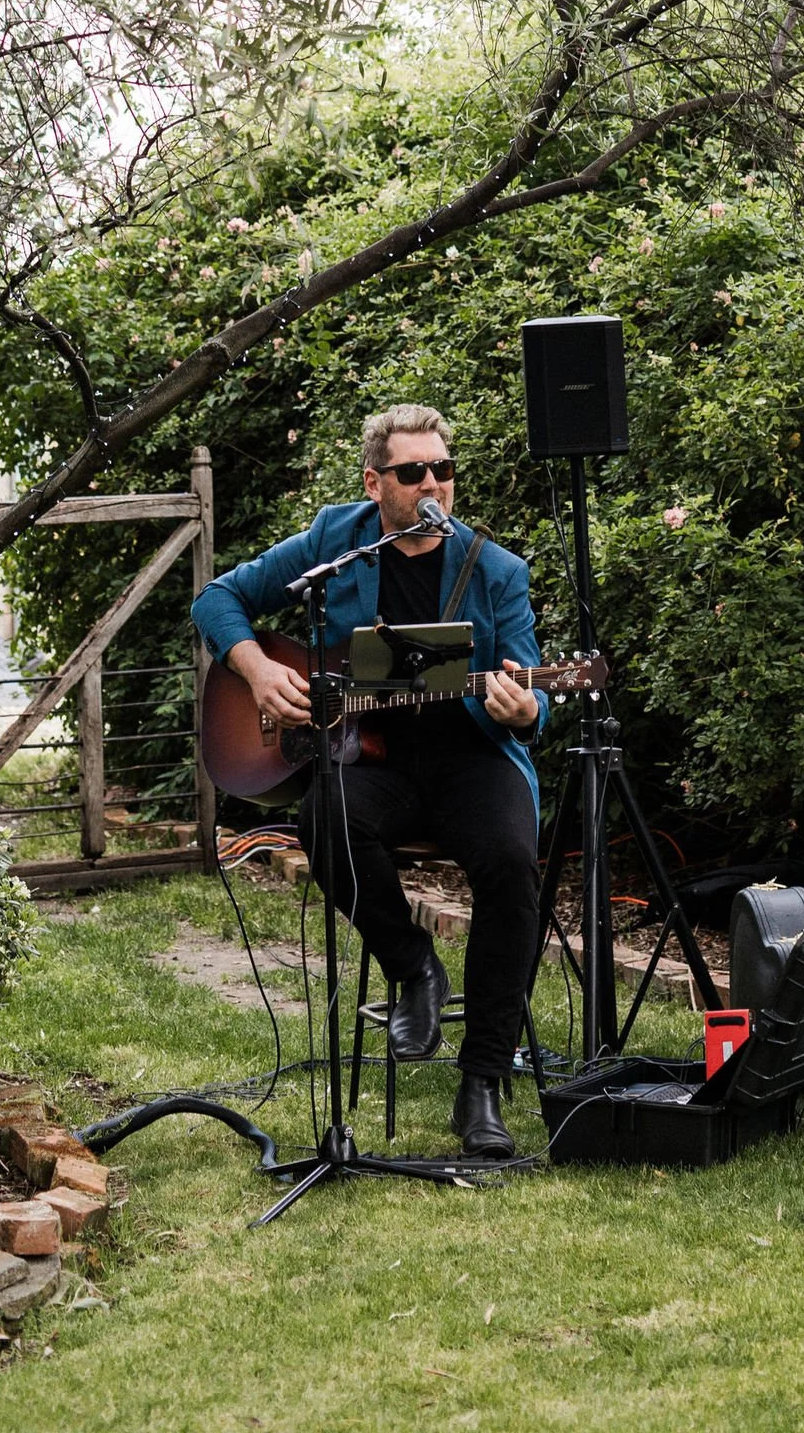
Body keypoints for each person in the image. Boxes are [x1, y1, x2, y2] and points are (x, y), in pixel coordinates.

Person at [192, 404, 545, 1160]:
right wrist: (255, 668)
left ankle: (481, 1083)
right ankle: (412, 964)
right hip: (370, 758)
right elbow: (216, 599)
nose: (432, 486)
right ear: (374, 483)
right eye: (413, 472)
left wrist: (523, 707)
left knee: (512, 864)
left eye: (442, 471)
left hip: (471, 762)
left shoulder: (497, 570)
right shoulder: (336, 541)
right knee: (322, 815)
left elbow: (531, 685)